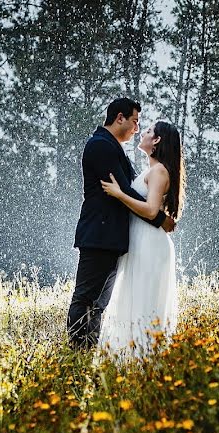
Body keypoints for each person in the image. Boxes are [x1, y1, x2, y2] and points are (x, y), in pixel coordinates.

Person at [66, 98, 176, 350]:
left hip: (111, 238)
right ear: (119, 118)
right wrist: (160, 219)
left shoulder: (112, 147)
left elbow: (127, 192)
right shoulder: (100, 146)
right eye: (135, 121)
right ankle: (78, 351)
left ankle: (86, 350)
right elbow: (124, 190)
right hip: (99, 235)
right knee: (86, 298)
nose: (137, 128)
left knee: (98, 303)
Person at [97, 120, 184, 358]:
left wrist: (119, 194)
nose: (141, 132)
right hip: (141, 240)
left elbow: (150, 210)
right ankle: (130, 358)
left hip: (150, 244)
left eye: (147, 131)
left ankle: (143, 359)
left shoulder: (159, 171)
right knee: (132, 297)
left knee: (143, 301)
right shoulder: (151, 170)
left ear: (156, 141)